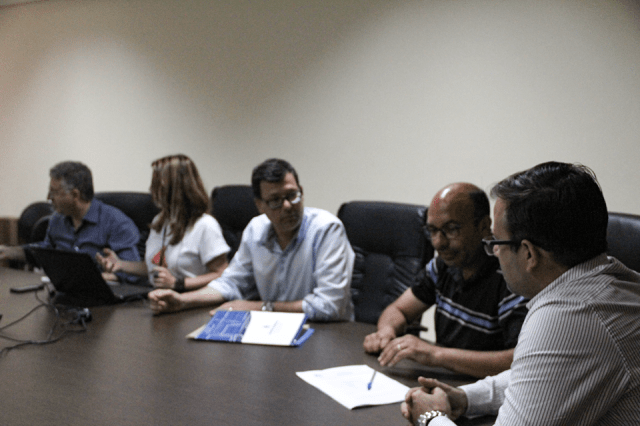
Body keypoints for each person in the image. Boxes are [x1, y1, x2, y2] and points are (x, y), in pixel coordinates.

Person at [402, 162, 640, 425]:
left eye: (496, 242)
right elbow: (539, 376)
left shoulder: (569, 316)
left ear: (528, 253)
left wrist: (431, 416)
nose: (494, 251)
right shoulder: (610, 282)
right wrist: (464, 397)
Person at [148, 158, 355, 322]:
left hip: (326, 333)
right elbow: (231, 283)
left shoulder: (326, 229)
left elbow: (330, 306)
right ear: (260, 205)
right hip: (272, 328)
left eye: (292, 195)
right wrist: (182, 301)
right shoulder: (256, 229)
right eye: (275, 200)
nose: (287, 206)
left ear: (301, 191)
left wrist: (258, 307)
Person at [363, 183, 527, 379]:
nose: (438, 243)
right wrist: (386, 332)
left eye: (451, 229)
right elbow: (399, 310)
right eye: (432, 230)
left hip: (486, 390)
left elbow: (520, 361)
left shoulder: (511, 276)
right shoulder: (443, 265)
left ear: (484, 226)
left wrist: (435, 355)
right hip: (444, 382)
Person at [97, 154, 230, 292]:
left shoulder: (205, 225)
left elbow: (221, 274)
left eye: (156, 184)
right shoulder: (160, 221)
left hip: (191, 299)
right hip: (159, 296)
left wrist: (178, 283)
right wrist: (121, 265)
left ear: (174, 188)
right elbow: (155, 267)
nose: (150, 188)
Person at [0, 161, 141, 282]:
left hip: (103, 295)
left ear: (75, 195)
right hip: (66, 290)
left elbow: (132, 273)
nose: (48, 198)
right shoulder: (57, 219)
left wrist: (100, 278)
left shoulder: (117, 223)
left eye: (54, 192)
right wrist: (10, 252)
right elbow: (47, 252)